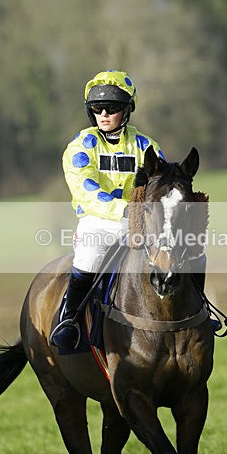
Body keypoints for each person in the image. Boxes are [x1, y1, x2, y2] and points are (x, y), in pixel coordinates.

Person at [50, 70, 164, 350]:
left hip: (140, 222)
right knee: (88, 258)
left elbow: (160, 183)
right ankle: (69, 321)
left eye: (111, 109)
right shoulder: (79, 147)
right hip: (97, 222)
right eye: (97, 109)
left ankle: (197, 314)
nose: (103, 114)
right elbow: (86, 192)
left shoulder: (145, 145)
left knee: (180, 251)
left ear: (126, 111)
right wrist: (127, 210)